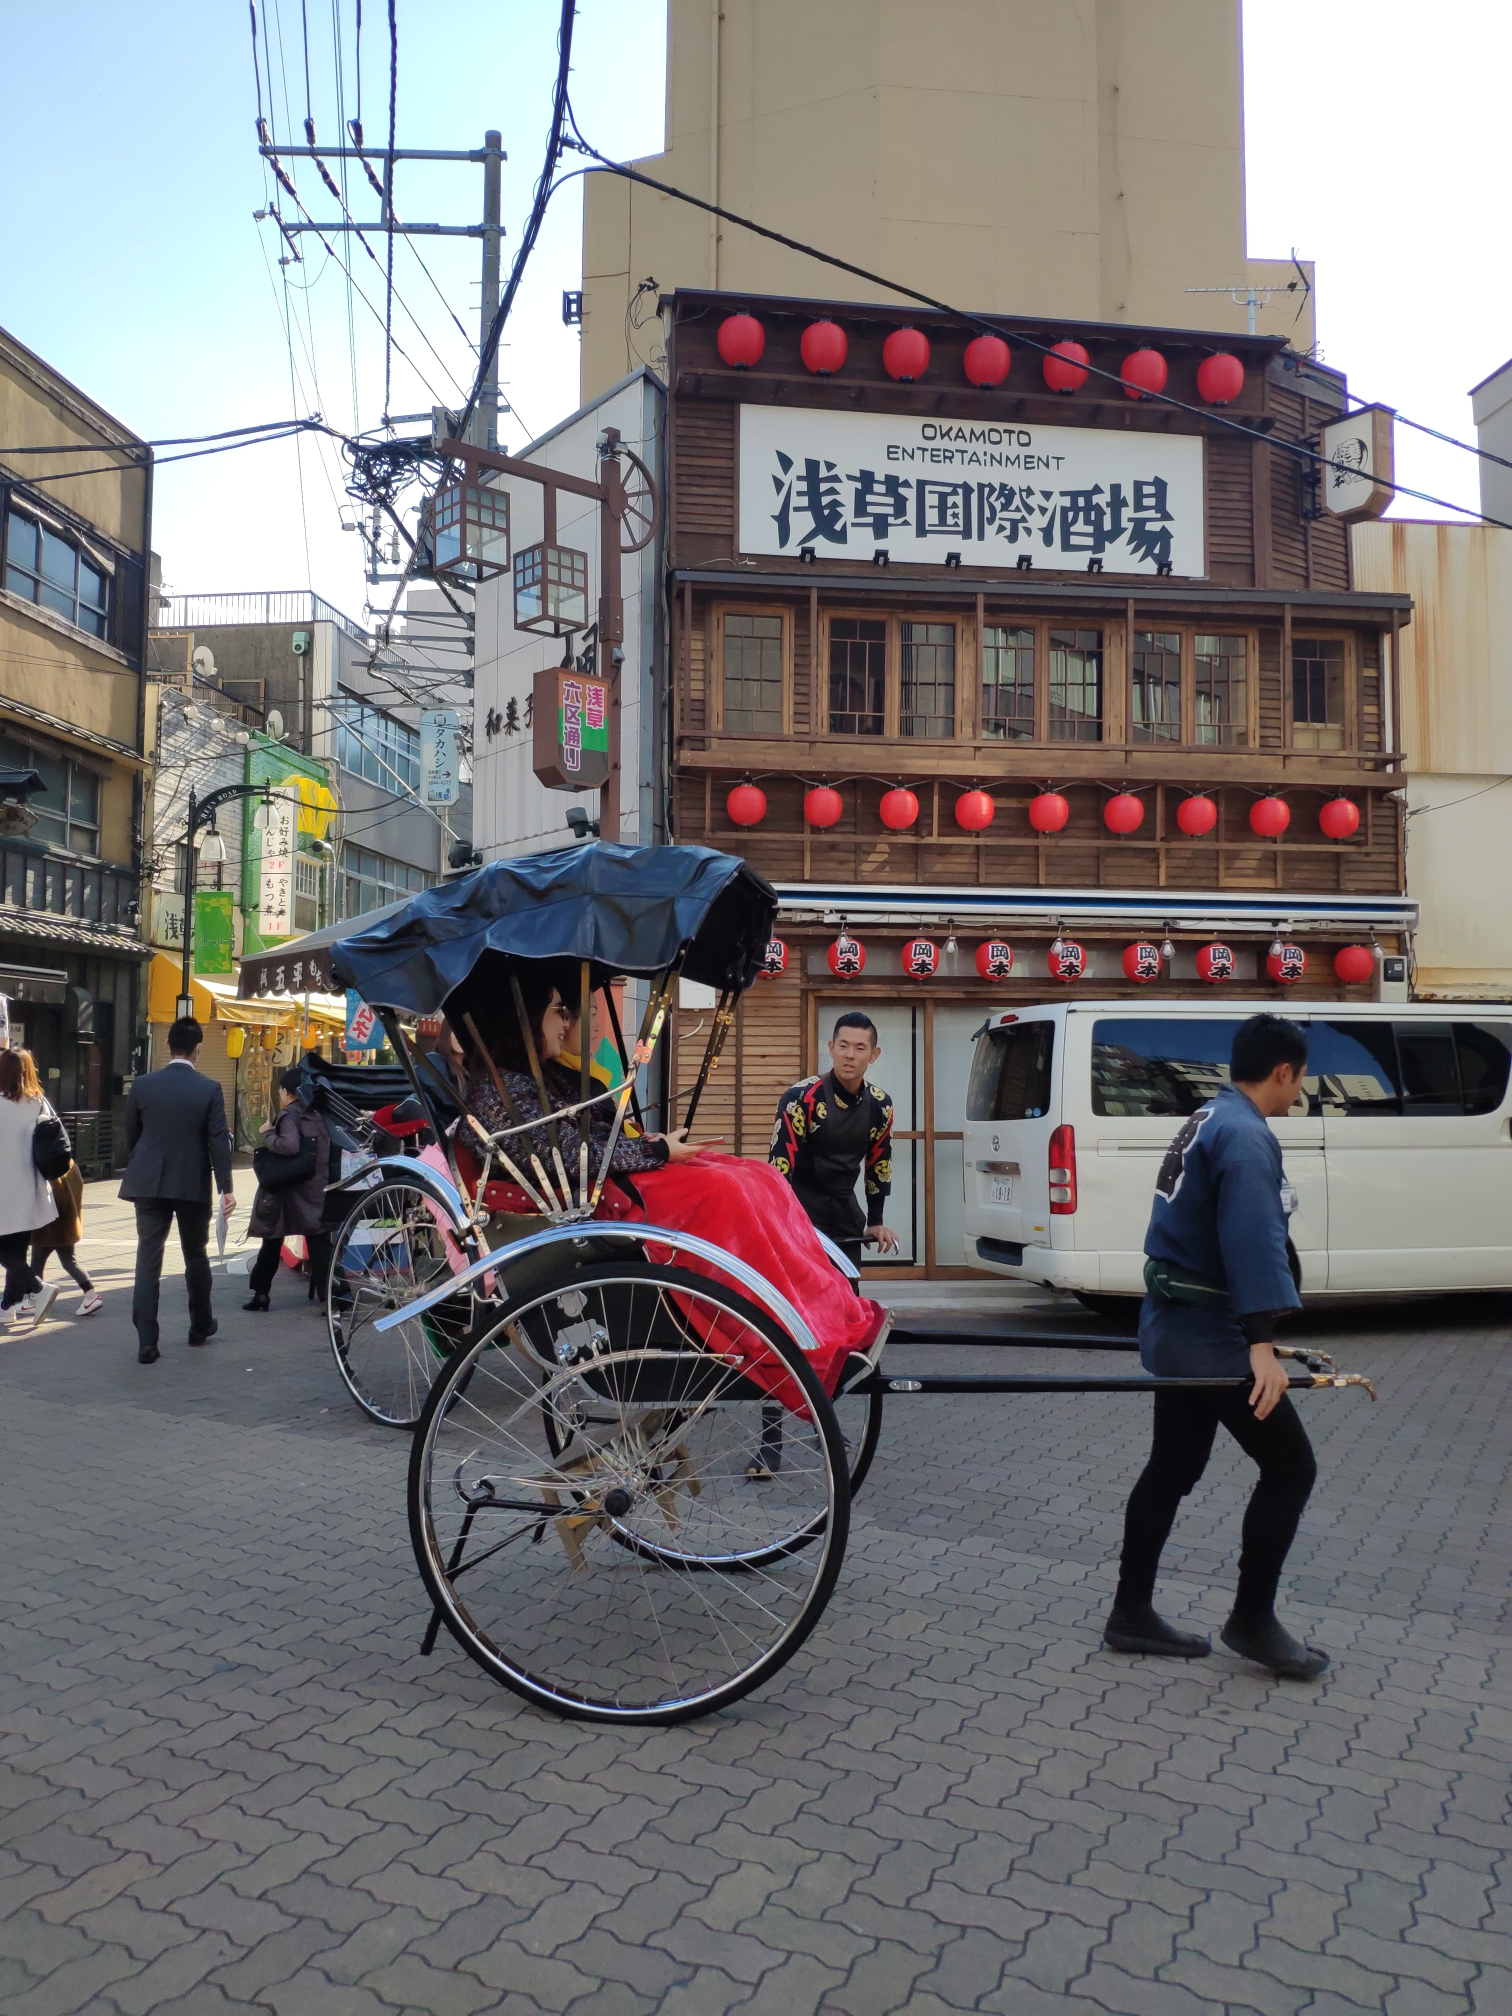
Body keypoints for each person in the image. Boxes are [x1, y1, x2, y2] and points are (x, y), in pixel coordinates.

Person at [459, 964, 884, 1398]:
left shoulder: (532, 1079)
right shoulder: (498, 1092)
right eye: (558, 1011)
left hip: (612, 1179)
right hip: (599, 1198)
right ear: (525, 1018)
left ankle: (816, 1308)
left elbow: (587, 1141)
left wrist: (651, 1143)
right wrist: (657, 1151)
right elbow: (566, 1155)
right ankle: (779, 1327)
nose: (566, 1022)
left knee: (759, 1177)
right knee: (729, 1191)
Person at [1104, 1012, 1326, 1682]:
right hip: (1208, 1339)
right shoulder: (1246, 1136)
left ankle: (1130, 1612)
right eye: (1300, 1078)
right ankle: (1252, 1619)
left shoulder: (1211, 1117)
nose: (1299, 1090)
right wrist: (1261, 1343)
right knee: (1291, 1468)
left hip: (1178, 1327)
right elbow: (1251, 1241)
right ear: (1284, 1072)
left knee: (1172, 1468)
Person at [119, 1015, 235, 1364]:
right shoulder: (209, 1088)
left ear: (168, 1045)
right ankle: (200, 1326)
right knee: (195, 1256)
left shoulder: (143, 1085)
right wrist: (225, 1188)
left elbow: (131, 1135)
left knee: (148, 1256)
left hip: (148, 1181)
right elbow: (218, 1141)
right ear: (199, 1049)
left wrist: (146, 1162)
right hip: (191, 1181)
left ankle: (147, 1341)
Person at [770, 1012, 898, 1270]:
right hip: (800, 1214)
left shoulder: (880, 1104)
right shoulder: (800, 1098)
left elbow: (879, 1165)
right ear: (831, 1048)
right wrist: (781, 1222)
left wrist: (875, 1220)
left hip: (845, 1212)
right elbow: (779, 1168)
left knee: (847, 1294)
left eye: (860, 1047)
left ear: (874, 1054)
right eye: (843, 1046)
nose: (849, 1054)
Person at [244, 1066, 333, 1312]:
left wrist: (268, 1133)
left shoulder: (288, 1115)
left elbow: (290, 1146)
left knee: (272, 1241)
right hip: (314, 1188)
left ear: (285, 1091)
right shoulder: (317, 1114)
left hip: (287, 1190)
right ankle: (332, 1297)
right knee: (319, 1243)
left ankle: (261, 1295)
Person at [0, 1048, 61, 1328]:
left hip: (3, 1188)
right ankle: (7, 1307)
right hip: (31, 1187)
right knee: (16, 1250)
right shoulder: (38, 1101)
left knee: (8, 1253)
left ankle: (38, 1288)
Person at [28, 1162, 103, 1317]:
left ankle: (34, 1301)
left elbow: (56, 1196)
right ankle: (91, 1295)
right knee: (69, 1262)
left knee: (37, 1262)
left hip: (50, 1226)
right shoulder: (72, 1166)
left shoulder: (52, 1169)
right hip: (68, 1225)